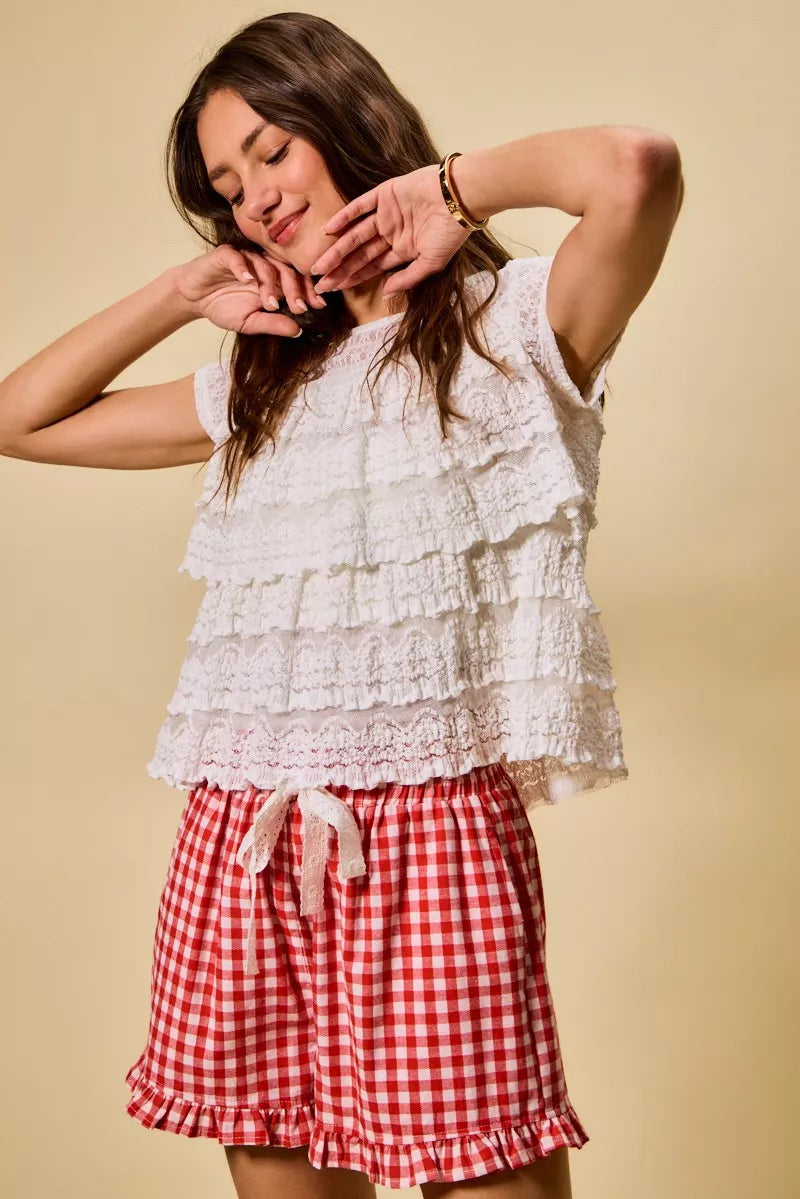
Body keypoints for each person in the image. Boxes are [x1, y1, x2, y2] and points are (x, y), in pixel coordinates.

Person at [0, 12, 683, 1199]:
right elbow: (20, 417)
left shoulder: (517, 328)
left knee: (488, 1173)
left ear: (346, 119)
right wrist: (182, 290)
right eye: (227, 188)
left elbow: (634, 168)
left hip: (434, 841)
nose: (257, 197)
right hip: (246, 835)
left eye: (271, 150)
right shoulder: (259, 382)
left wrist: (447, 191)